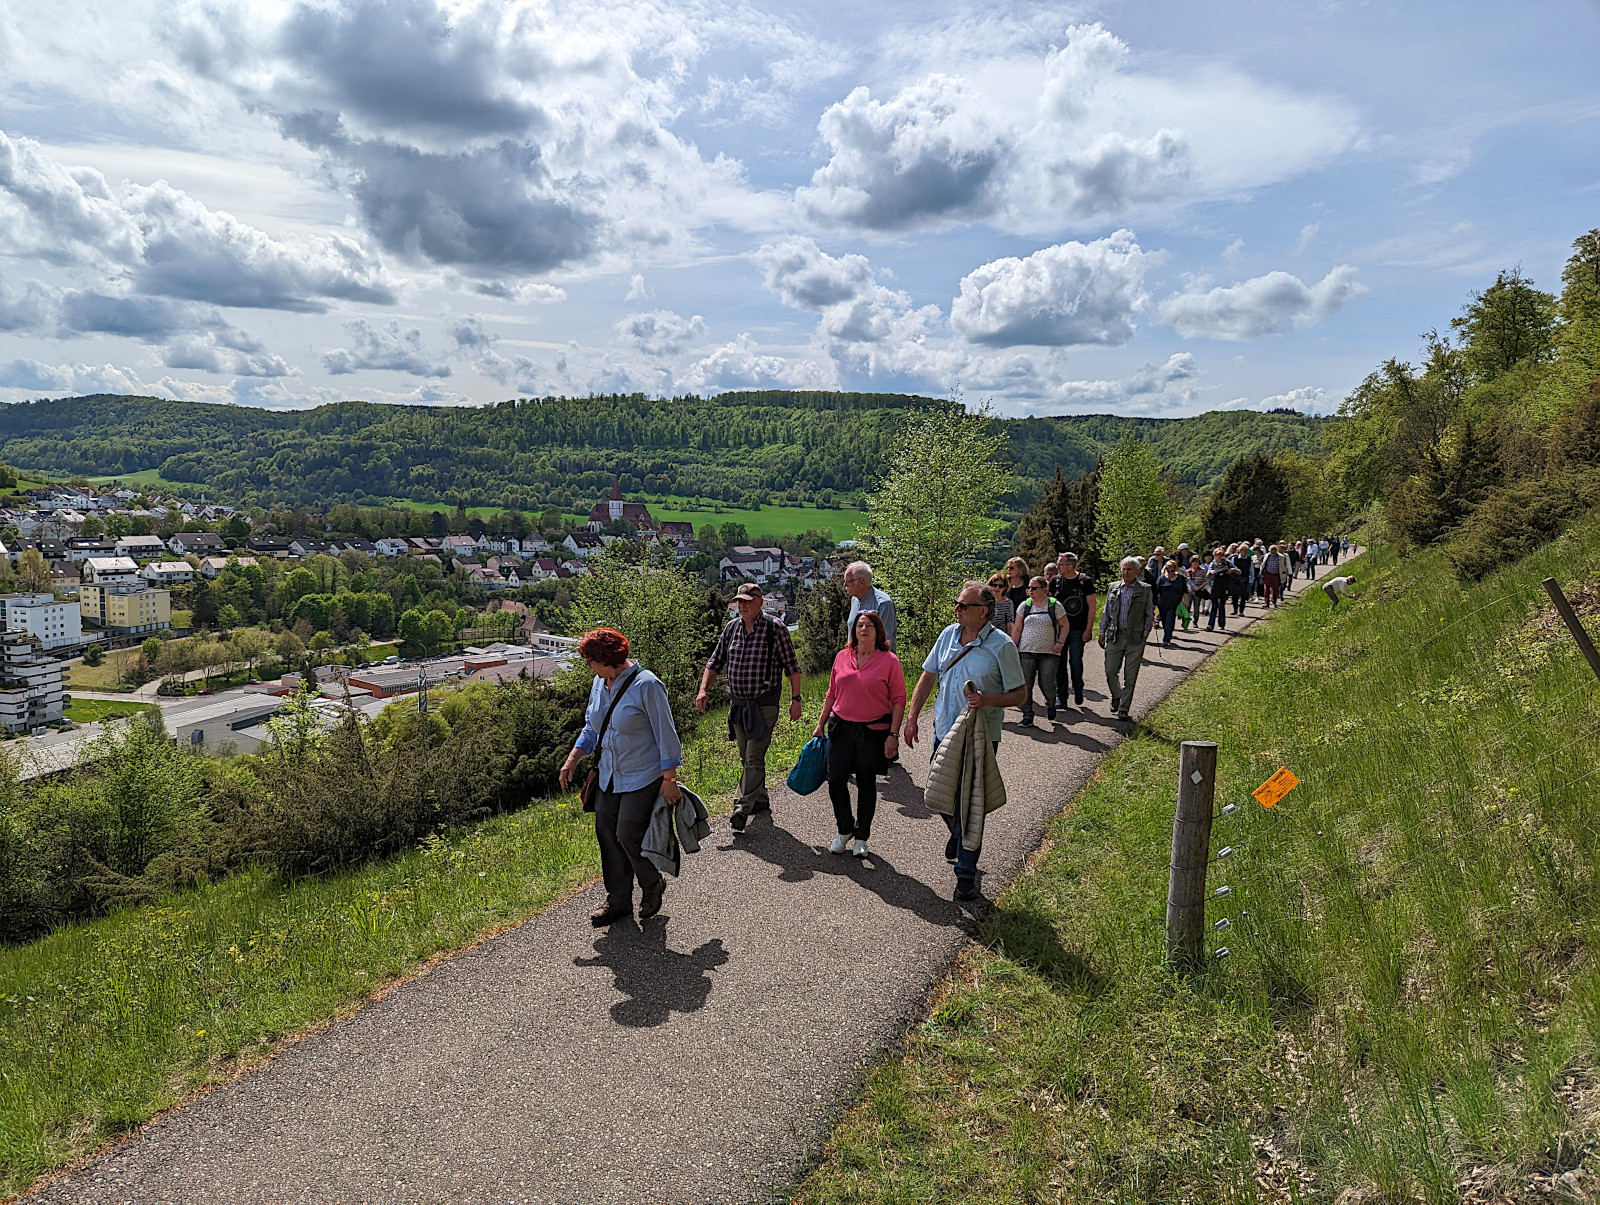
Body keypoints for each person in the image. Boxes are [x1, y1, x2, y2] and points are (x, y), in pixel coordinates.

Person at [904, 581, 1025, 900]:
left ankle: (966, 874)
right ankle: (960, 835)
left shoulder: (1001, 646)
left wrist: (988, 700)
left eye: (962, 605)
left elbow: (1020, 694)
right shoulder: (947, 635)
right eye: (956, 604)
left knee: (972, 801)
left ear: (983, 611)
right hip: (944, 730)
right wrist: (913, 716)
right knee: (938, 792)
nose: (956, 609)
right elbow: (928, 675)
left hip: (980, 737)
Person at [559, 628, 683, 927]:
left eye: (591, 660)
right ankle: (618, 902)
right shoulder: (600, 683)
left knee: (627, 835)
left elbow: (666, 734)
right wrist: (573, 758)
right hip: (608, 776)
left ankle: (652, 883)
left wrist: (669, 778)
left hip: (643, 775)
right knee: (607, 836)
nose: (588, 666)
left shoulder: (647, 685)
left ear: (606, 659)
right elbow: (592, 726)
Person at [697, 582, 802, 832]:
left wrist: (795, 700)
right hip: (739, 706)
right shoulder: (731, 629)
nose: (741, 606)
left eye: (746, 601)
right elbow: (714, 662)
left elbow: (792, 668)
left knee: (753, 757)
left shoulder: (775, 629)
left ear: (760, 603)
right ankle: (761, 800)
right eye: (739, 601)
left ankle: (741, 808)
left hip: (764, 704)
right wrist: (703, 690)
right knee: (747, 758)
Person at [815, 609, 905, 859]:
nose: (864, 629)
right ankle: (845, 829)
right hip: (841, 727)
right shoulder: (843, 656)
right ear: (854, 631)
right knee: (835, 780)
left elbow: (899, 699)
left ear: (878, 633)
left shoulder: (889, 660)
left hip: (873, 731)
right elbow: (831, 693)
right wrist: (821, 723)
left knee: (866, 782)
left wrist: (893, 735)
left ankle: (862, 836)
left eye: (869, 626)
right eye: (860, 625)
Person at [1098, 556, 1155, 720]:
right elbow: (1106, 613)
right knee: (1110, 671)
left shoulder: (1145, 589)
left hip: (1135, 639)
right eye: (1123, 569)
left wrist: (1144, 636)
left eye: (1129, 569)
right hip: (1115, 636)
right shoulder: (1113, 588)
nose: (1125, 572)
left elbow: (1149, 615)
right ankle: (1117, 695)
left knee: (1130, 676)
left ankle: (1123, 709)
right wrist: (1102, 632)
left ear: (1137, 571)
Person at [1010, 576, 1064, 725]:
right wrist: (1013, 646)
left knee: (1046, 683)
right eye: (1029, 588)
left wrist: (1060, 642)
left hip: (1049, 653)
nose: (1030, 591)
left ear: (1044, 589)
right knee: (1026, 684)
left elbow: (1065, 625)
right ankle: (1028, 715)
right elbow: (1017, 627)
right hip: (1026, 651)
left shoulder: (1055, 605)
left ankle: (1051, 703)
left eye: (1034, 588)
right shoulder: (1024, 606)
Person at [1049, 552, 1098, 710]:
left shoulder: (1085, 581)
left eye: (1060, 564)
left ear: (1070, 566)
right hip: (1058, 630)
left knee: (1075, 661)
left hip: (1078, 628)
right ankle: (1061, 697)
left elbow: (1092, 607)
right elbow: (1048, 604)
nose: (1057, 567)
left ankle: (1078, 688)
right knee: (1059, 664)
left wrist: (1089, 629)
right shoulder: (1055, 581)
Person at [843, 560, 897, 650]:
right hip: (854, 661)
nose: (845, 585)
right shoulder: (854, 600)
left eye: (848, 581)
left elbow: (886, 643)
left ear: (860, 582)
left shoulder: (883, 604)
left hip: (878, 662)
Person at [1153, 560, 1188, 646]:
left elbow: (1184, 591)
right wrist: (1154, 602)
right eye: (1168, 571)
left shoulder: (1180, 578)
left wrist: (1185, 602)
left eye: (1172, 570)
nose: (1170, 572)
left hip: (1174, 604)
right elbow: (1156, 591)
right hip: (1162, 603)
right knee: (1165, 621)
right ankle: (1168, 633)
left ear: (1176, 569)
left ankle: (1166, 639)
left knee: (1170, 619)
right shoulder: (1161, 579)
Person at [1262, 542, 1285, 608]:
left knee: (1275, 589)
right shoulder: (1267, 556)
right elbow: (1263, 564)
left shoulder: (1281, 557)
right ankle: (1266, 602)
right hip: (1268, 574)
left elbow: (1284, 565)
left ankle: (1274, 601)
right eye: (1271, 550)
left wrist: (1286, 573)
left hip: (1276, 575)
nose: (1272, 551)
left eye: (1274, 549)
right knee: (1266, 589)